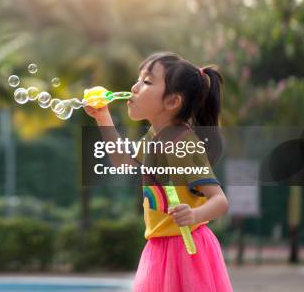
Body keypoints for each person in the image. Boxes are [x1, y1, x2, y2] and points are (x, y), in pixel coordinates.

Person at [85, 52, 233, 292]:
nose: (134, 87)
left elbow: (220, 201)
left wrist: (195, 215)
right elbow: (123, 161)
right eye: (138, 78)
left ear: (172, 102)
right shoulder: (154, 138)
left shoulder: (183, 144)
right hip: (160, 250)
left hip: (186, 251)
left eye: (147, 81)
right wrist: (103, 117)